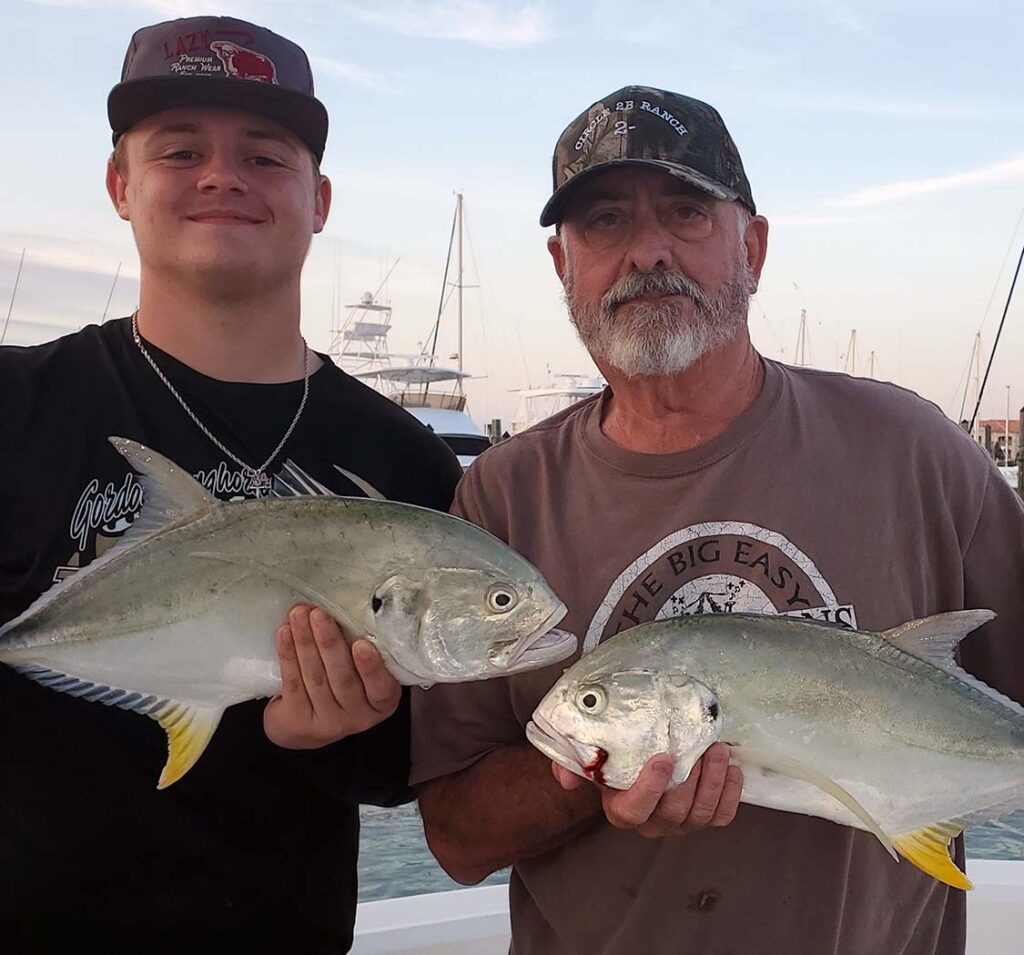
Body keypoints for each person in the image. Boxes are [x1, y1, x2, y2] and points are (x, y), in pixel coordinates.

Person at [412, 86, 1024, 954]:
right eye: (605, 222)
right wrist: (600, 769)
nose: (645, 252)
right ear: (563, 265)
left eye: (686, 211)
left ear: (755, 245)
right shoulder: (503, 498)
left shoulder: (911, 450)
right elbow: (456, 837)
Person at [0, 15, 462, 953]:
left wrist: (320, 728)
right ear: (120, 184)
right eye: (180, 150)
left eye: (265, 155)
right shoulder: (14, 408)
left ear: (319, 198)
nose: (223, 175)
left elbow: (397, 766)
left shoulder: (404, 460)